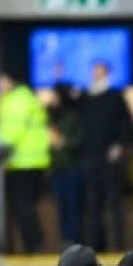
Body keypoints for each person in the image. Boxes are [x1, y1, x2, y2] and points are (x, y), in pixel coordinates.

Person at [81, 61, 133, 253]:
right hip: (91, 158)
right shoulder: (86, 98)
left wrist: (119, 146)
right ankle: (97, 245)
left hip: (111, 160)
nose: (96, 75)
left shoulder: (115, 97)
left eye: (100, 71)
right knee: (93, 203)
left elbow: (128, 126)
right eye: (94, 71)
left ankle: (118, 245)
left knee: (114, 203)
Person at [0, 73, 49, 254]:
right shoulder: (22, 97)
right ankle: (32, 246)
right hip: (28, 162)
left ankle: (33, 247)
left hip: (24, 162)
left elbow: (12, 129)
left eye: (0, 81)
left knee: (22, 207)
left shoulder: (17, 99)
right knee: (25, 207)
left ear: (9, 80)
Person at [45, 84, 84, 246]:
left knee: (72, 205)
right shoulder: (48, 116)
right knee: (61, 205)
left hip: (71, 166)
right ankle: (64, 239)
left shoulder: (72, 115)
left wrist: (65, 143)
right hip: (55, 167)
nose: (51, 99)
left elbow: (80, 138)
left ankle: (72, 239)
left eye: (54, 95)